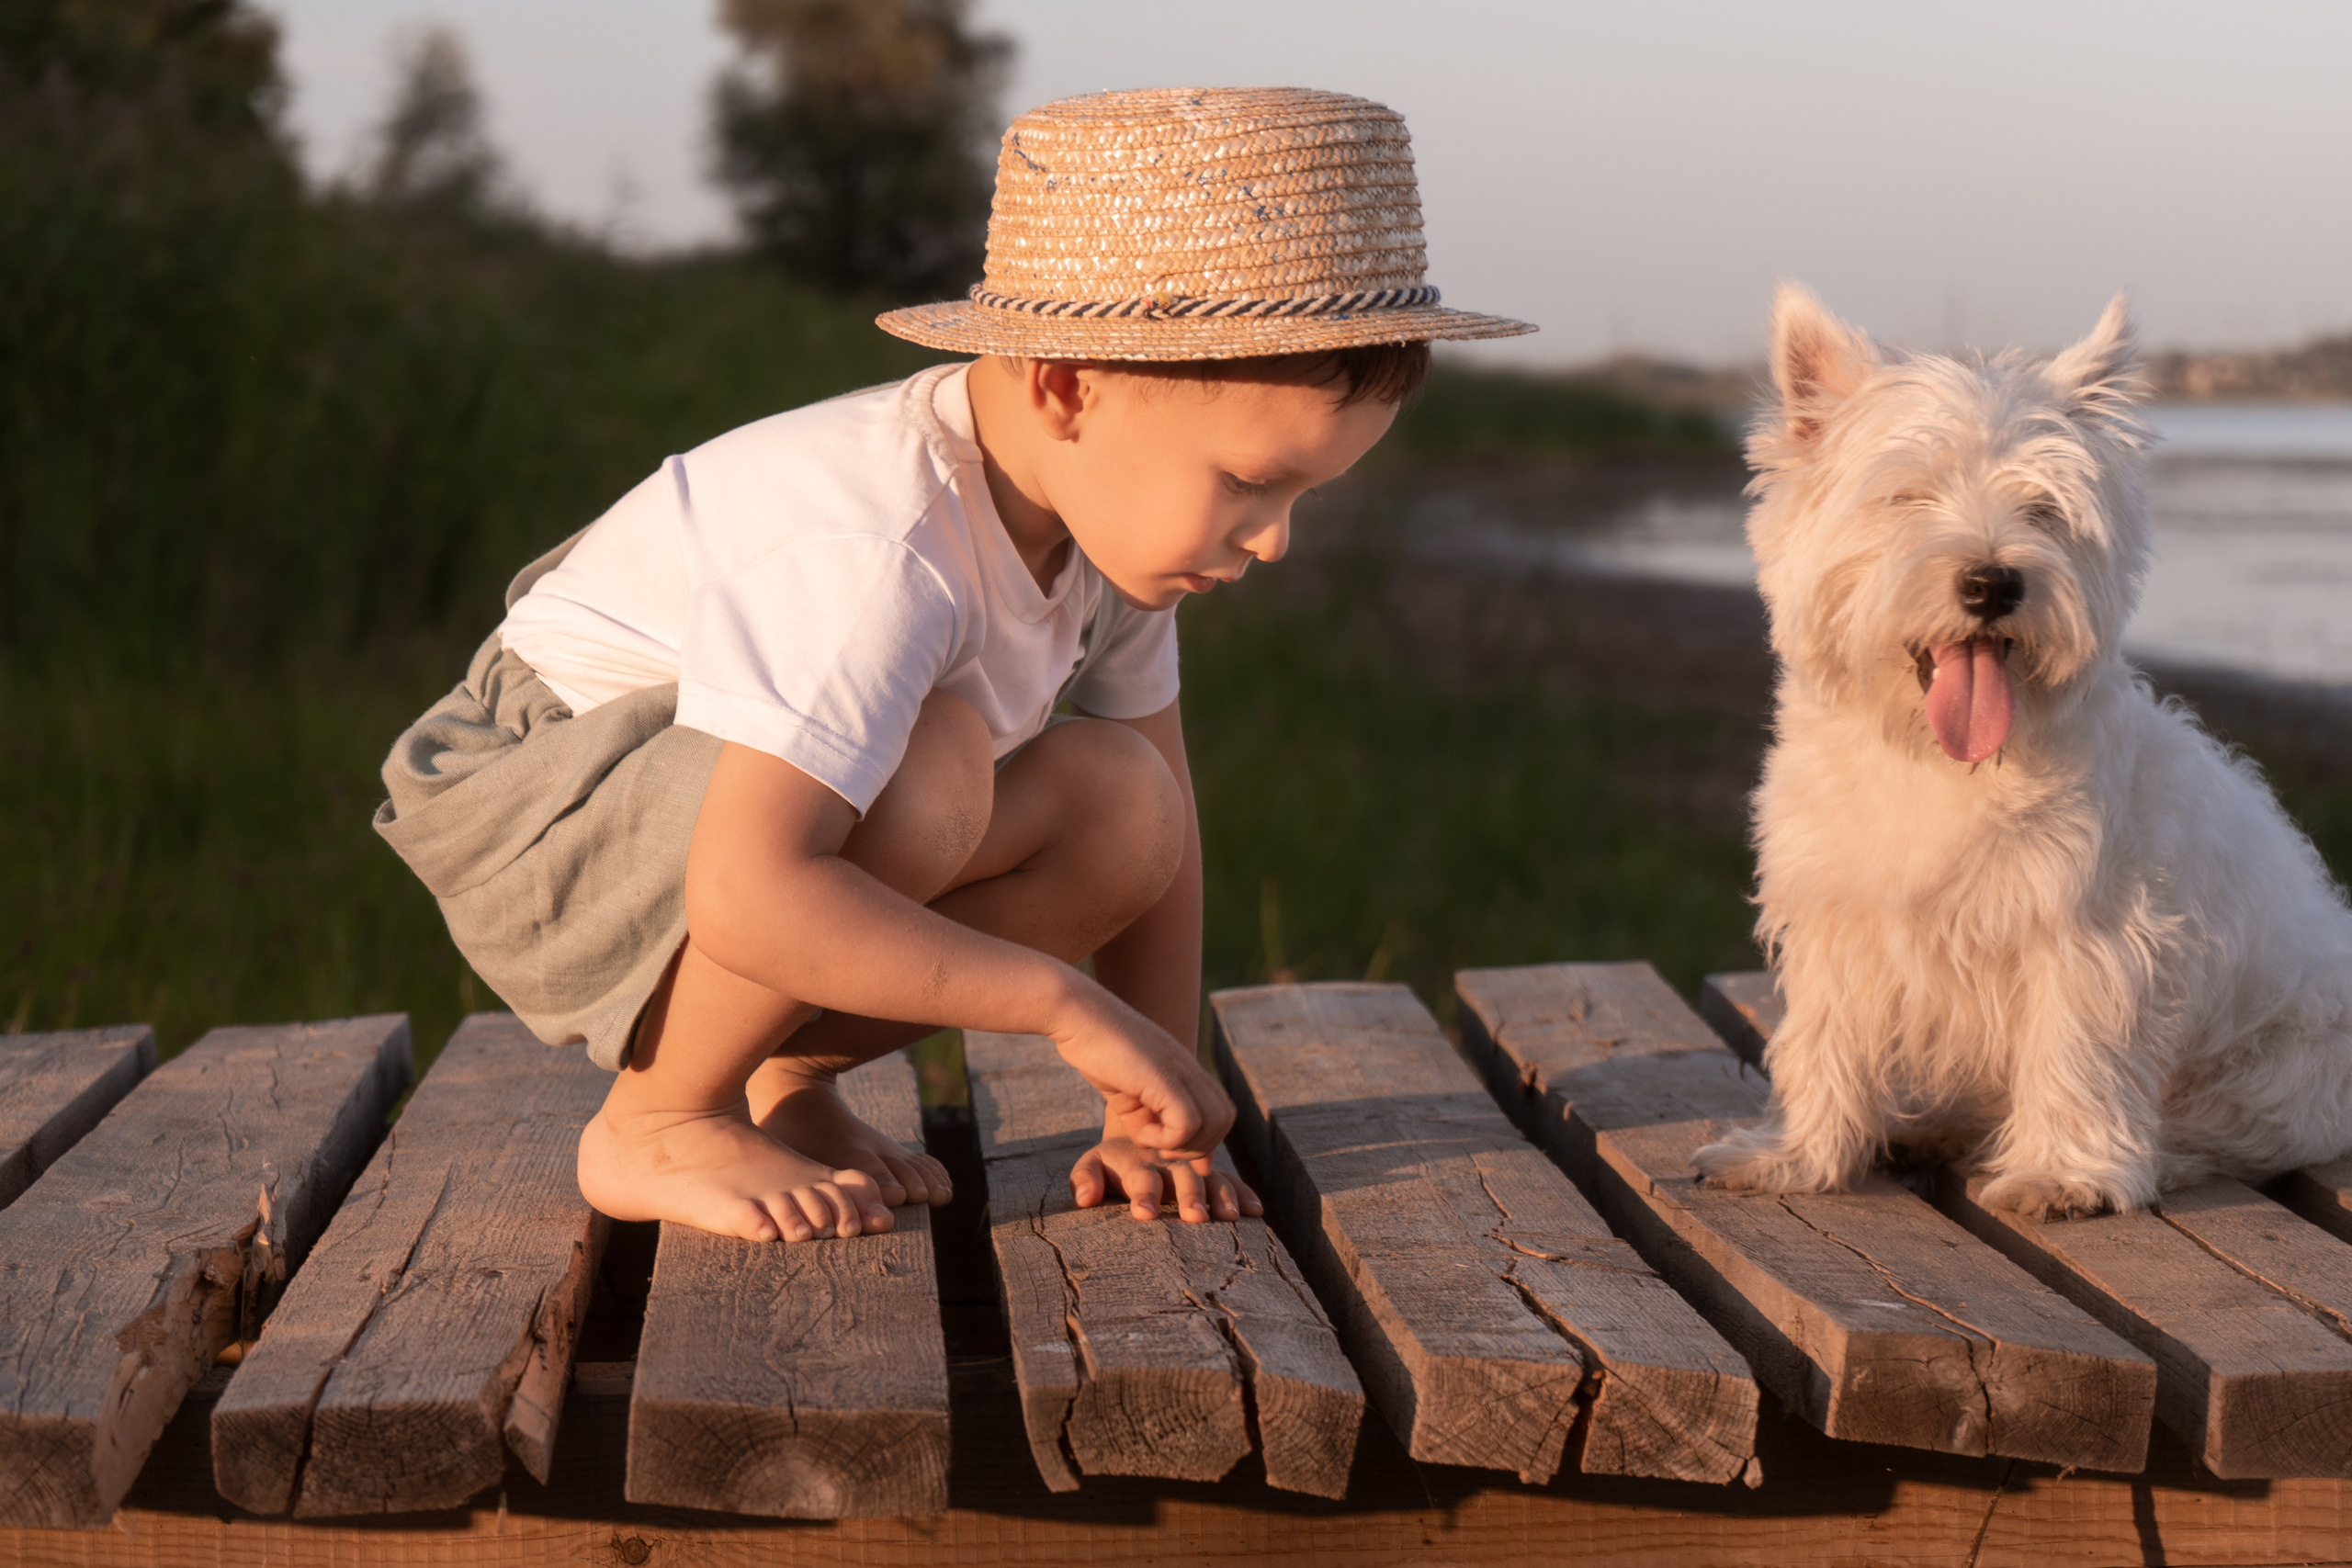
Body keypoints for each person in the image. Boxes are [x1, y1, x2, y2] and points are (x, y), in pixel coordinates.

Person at [373, 85, 1533, 1244]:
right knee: (931, 762)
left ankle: (782, 1082)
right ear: (1067, 386)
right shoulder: (879, 546)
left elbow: (1162, 837)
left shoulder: (1104, 530)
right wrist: (1054, 1002)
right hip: (545, 807)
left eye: (1302, 497)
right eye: (1246, 483)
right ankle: (662, 1117)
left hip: (714, 838)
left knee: (1124, 805)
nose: (1275, 539)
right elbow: (749, 886)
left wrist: (1150, 1109)